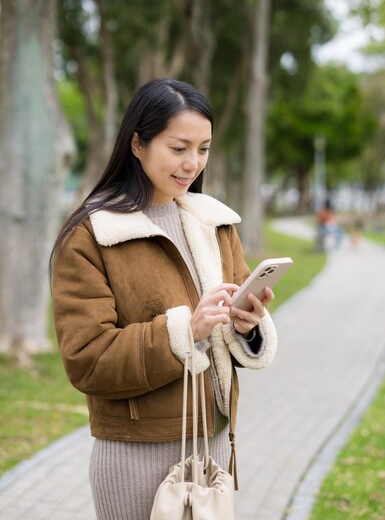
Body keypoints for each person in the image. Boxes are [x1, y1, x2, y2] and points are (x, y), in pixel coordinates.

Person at [50, 78, 278, 520]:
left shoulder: (215, 223)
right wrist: (185, 331)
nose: (192, 163)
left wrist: (245, 325)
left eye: (204, 148)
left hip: (211, 445)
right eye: (179, 148)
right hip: (135, 455)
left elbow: (230, 325)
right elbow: (87, 358)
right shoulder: (92, 236)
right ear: (137, 144)